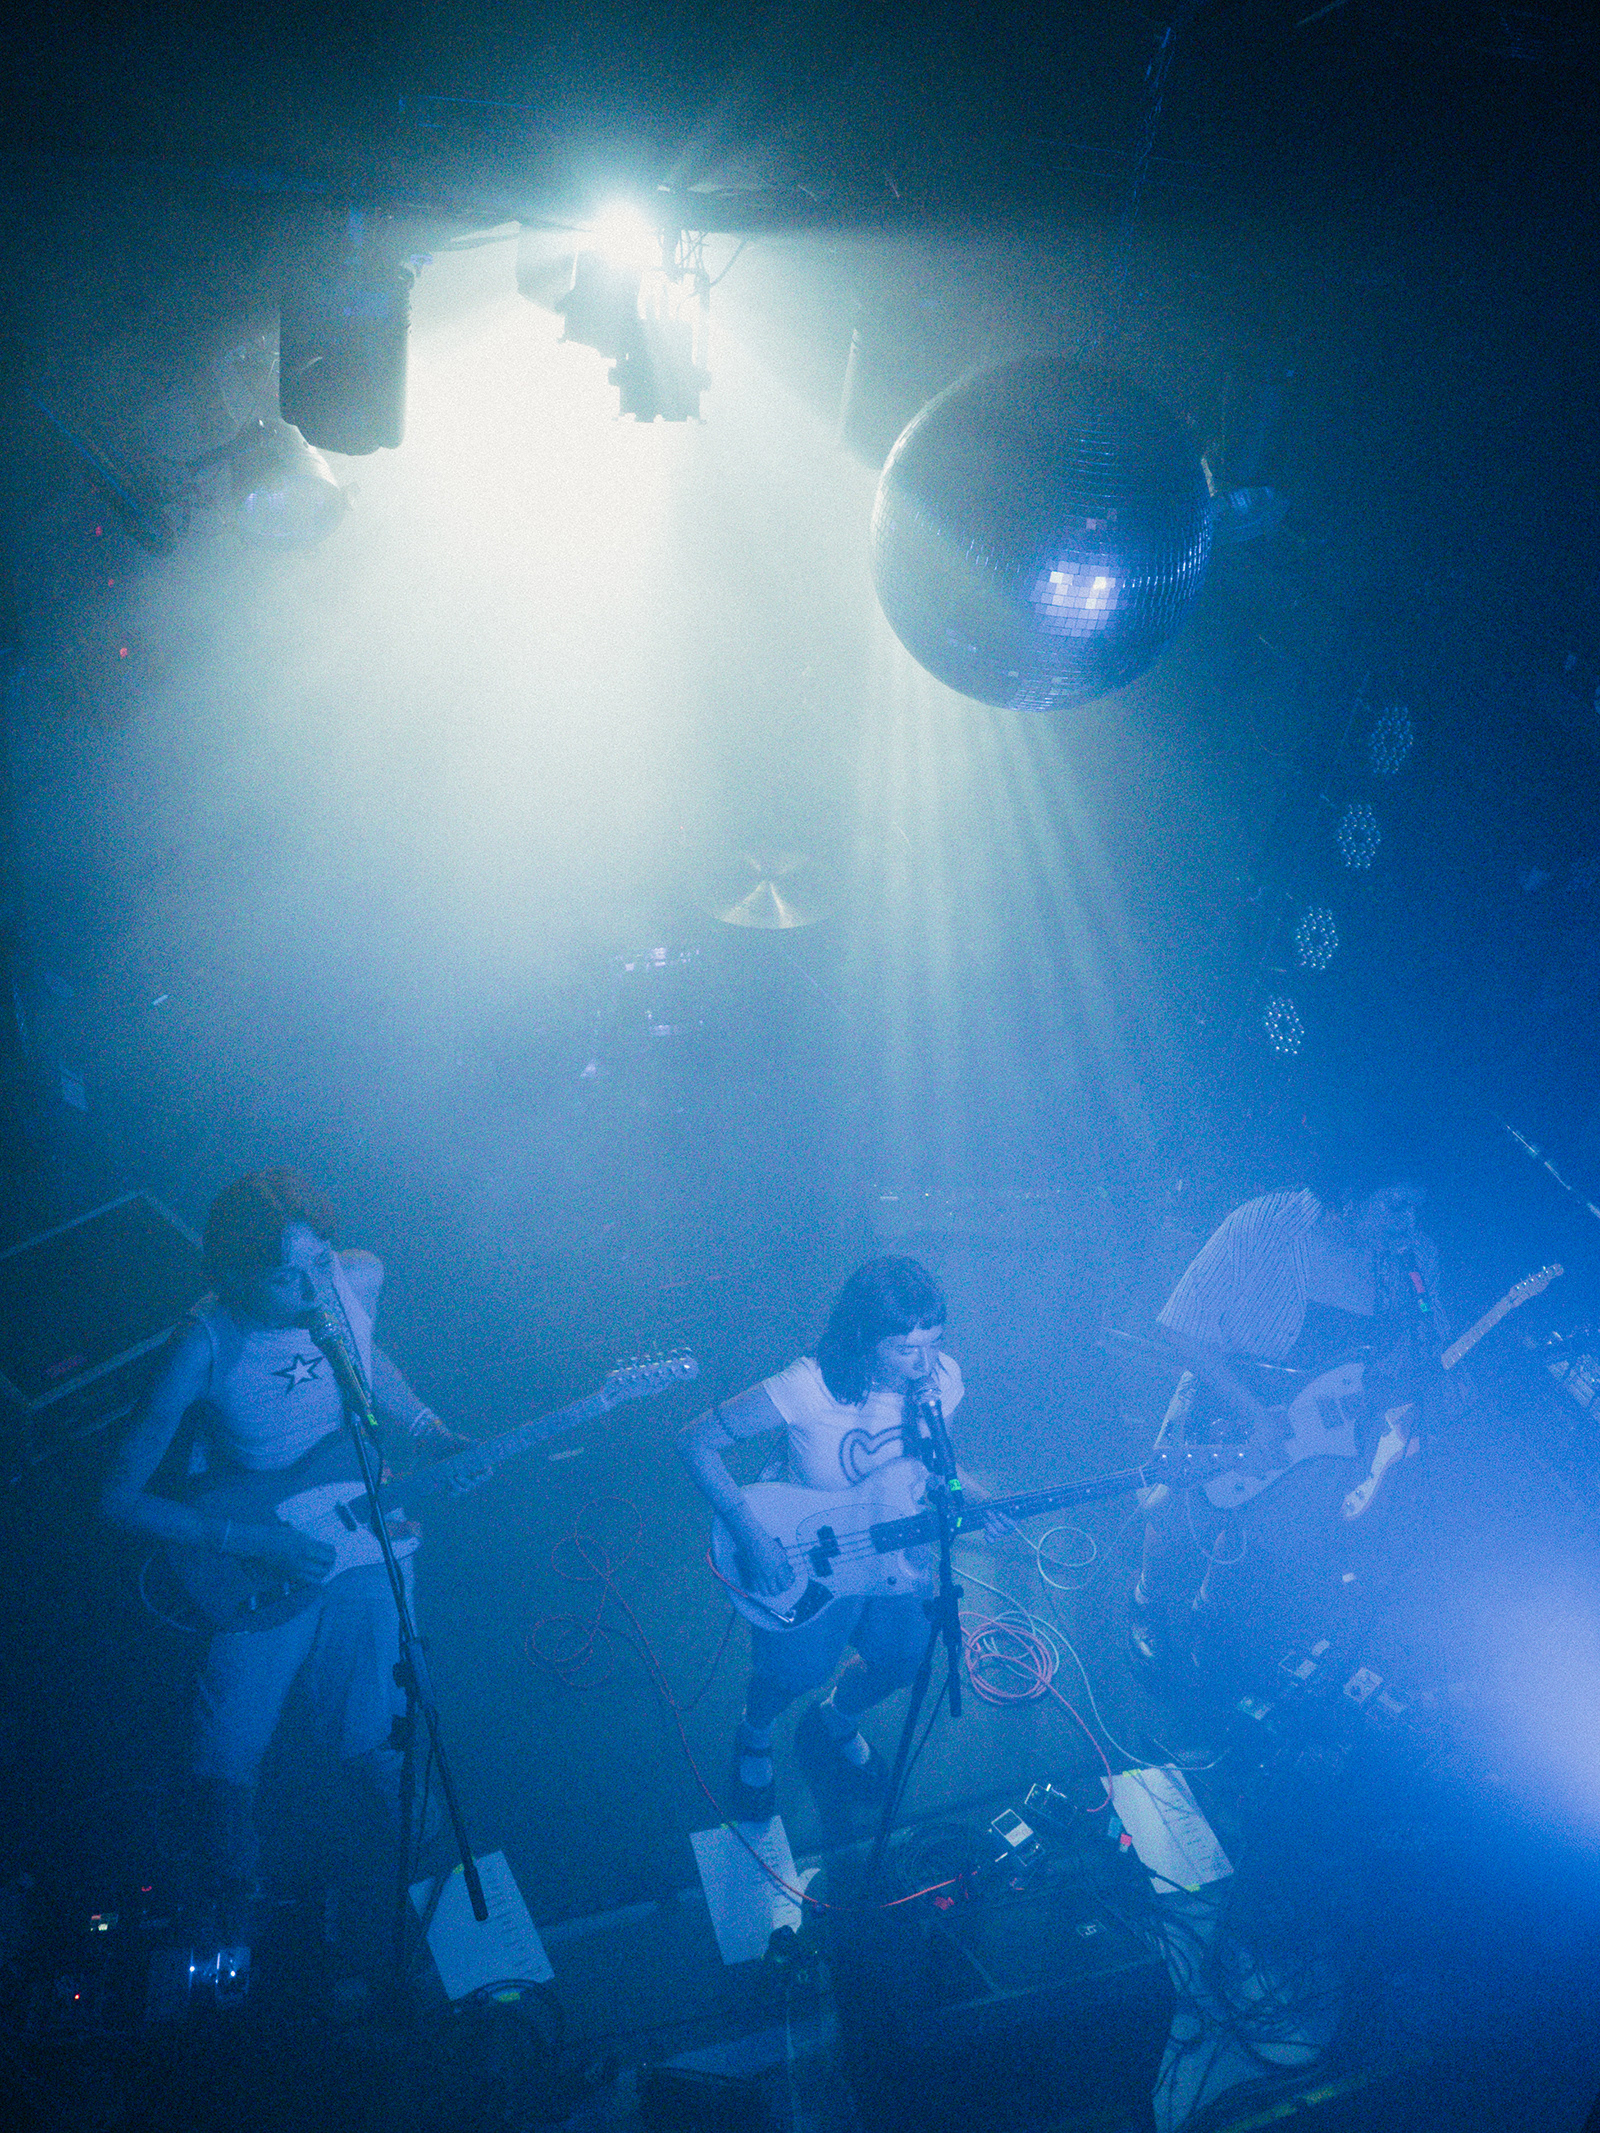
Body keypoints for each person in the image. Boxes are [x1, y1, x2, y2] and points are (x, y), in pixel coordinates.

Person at [102, 1169, 466, 1917]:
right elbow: (117, 1500)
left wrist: (427, 1428)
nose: (312, 1290)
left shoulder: (356, 1278)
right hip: (255, 1533)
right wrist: (255, 1541)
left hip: (353, 1513)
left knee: (377, 1725)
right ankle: (233, 1909)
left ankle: (426, 1879)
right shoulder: (204, 1344)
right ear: (234, 1275)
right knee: (226, 1754)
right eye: (285, 1277)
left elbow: (371, 1358)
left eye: (319, 1264)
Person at [679, 1256, 996, 1818]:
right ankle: (754, 1733)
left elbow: (935, 1465)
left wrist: (982, 1500)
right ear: (864, 1338)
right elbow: (694, 1442)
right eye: (906, 1349)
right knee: (791, 1673)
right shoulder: (807, 1387)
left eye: (935, 1343)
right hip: (812, 1553)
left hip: (895, 1555)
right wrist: (751, 1537)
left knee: (902, 1660)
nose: (925, 1363)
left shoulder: (941, 1381)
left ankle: (836, 1719)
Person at [1130, 1140, 1450, 1678]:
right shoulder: (1266, 1223)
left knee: (1261, 1536)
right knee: (1180, 1518)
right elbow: (1182, 1325)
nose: (1409, 1222)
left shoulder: (1411, 1259)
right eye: (1396, 1205)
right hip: (1229, 1404)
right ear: (1350, 1196)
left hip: (1327, 1436)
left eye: (1417, 1208)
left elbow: (1418, 1349)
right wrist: (1254, 1412)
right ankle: (1150, 1603)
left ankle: (1207, 1615)